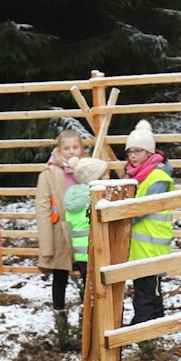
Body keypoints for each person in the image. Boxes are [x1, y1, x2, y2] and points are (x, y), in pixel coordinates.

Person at [122, 121, 175, 325]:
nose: (133, 156)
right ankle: (155, 323)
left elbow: (145, 208)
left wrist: (122, 215)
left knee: (147, 288)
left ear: (149, 152)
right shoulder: (133, 175)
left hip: (152, 242)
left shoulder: (157, 178)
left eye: (138, 151)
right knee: (147, 287)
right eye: (130, 152)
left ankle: (142, 325)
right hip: (140, 244)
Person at [34, 128, 86, 324]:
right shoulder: (49, 174)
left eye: (75, 147)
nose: (72, 151)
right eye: (67, 148)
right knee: (60, 275)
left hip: (85, 232)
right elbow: (43, 209)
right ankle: (60, 318)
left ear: (81, 148)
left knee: (88, 274)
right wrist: (46, 247)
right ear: (59, 149)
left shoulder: (88, 168)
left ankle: (89, 315)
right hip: (60, 233)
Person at [59, 156, 109, 311]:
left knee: (91, 291)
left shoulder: (74, 198)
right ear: (95, 179)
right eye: (105, 174)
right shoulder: (94, 199)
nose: (108, 177)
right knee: (101, 293)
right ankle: (97, 320)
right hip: (96, 251)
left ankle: (89, 317)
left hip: (81, 254)